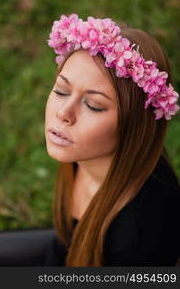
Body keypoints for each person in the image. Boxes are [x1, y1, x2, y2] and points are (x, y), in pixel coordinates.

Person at [44, 13, 180, 266]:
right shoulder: (85, 152)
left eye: (93, 106)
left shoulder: (137, 236)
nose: (63, 113)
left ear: (133, 125)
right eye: (61, 90)